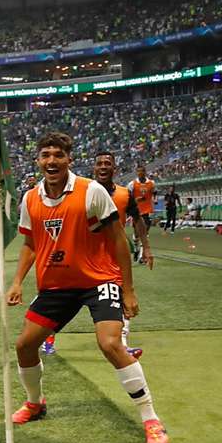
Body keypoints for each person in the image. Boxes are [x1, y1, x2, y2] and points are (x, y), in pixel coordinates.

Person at [5, 132, 168, 443]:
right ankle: (35, 404)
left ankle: (151, 419)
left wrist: (128, 290)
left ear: (69, 159)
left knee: (109, 344)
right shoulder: (30, 198)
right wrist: (16, 282)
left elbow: (119, 239)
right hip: (56, 285)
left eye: (58, 155)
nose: (51, 161)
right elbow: (29, 242)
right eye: (45, 155)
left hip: (98, 280)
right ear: (38, 160)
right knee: (24, 345)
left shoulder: (90, 191)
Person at [94, 151, 152, 359]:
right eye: (99, 163)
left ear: (114, 168)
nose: (103, 167)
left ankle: (123, 343)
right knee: (63, 294)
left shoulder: (124, 194)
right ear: (94, 168)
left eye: (107, 163)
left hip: (114, 255)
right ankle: (47, 339)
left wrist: (146, 247)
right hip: (86, 254)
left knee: (122, 295)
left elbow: (138, 220)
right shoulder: (85, 191)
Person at [127, 165, 156, 263]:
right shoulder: (132, 184)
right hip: (136, 211)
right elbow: (128, 197)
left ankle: (142, 257)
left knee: (145, 233)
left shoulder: (151, 183)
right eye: (138, 171)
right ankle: (136, 250)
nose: (140, 173)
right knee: (136, 234)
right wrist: (135, 200)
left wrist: (154, 200)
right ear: (136, 172)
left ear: (145, 172)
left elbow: (153, 192)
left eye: (142, 171)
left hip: (148, 211)